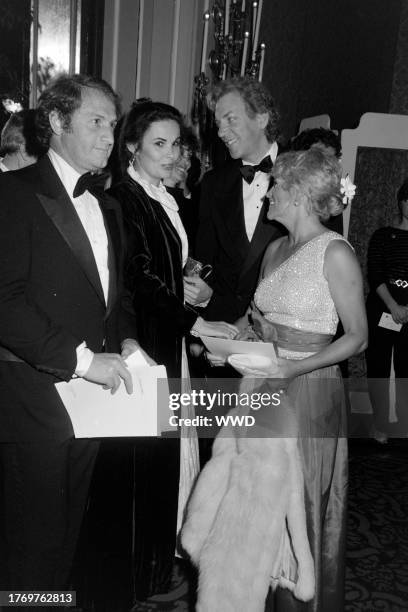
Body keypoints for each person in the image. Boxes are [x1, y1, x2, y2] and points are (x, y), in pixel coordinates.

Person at [187, 148, 367, 611]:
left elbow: (358, 339)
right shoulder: (272, 248)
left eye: (278, 187)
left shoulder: (336, 252)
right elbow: (261, 319)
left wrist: (291, 367)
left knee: (300, 503)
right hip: (262, 387)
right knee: (249, 499)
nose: (269, 196)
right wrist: (233, 338)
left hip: (309, 389)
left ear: (303, 194)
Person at [0, 74, 140, 594]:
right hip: (31, 396)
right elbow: (4, 301)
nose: (109, 136)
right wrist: (81, 360)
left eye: (113, 124)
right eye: (96, 122)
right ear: (57, 123)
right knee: (28, 544)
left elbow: (114, 296)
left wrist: (123, 337)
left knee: (65, 536)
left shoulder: (109, 206)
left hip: (92, 399)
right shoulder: (12, 193)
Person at [94, 99, 237, 609]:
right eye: (159, 142)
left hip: (168, 337)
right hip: (146, 340)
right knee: (147, 457)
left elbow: (171, 265)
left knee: (167, 453)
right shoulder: (127, 198)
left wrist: (202, 289)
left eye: (176, 142)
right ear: (131, 146)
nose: (172, 152)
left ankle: (158, 562)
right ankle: (143, 572)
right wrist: (196, 320)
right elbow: (142, 279)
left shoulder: (161, 196)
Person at [187, 77, 285, 322]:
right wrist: (198, 316)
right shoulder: (212, 183)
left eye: (231, 119)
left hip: (283, 330)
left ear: (261, 118)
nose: (220, 132)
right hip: (223, 324)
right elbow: (203, 257)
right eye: (219, 123)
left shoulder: (304, 173)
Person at [365, 178, 408, 442]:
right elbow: (375, 273)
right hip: (382, 308)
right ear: (401, 202)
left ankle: (404, 423)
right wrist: (393, 306)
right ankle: (379, 423)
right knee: (378, 367)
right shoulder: (382, 235)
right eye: (407, 199)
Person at [164, 125, 201, 251]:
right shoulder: (150, 195)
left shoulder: (183, 200)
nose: (186, 162)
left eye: (189, 156)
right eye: (181, 154)